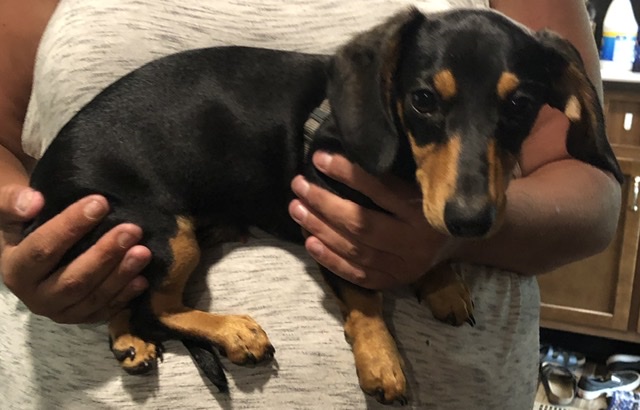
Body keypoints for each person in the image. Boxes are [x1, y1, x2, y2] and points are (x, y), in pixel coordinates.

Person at [0, 0, 620, 408]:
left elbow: (593, 193)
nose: (469, 176)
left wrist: (444, 248)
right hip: (84, 371)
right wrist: (14, 237)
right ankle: (160, 314)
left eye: (516, 108)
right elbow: (322, 206)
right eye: (429, 103)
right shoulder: (367, 110)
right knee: (166, 245)